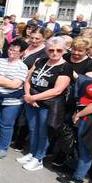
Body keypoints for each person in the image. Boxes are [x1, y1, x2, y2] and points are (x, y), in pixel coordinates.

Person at [18, 37, 73, 171]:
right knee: (33, 129)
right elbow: (28, 79)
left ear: (64, 50)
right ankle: (32, 152)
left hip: (49, 104)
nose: (55, 53)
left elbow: (57, 90)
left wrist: (32, 98)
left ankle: (39, 158)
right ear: (46, 50)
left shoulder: (66, 67)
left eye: (59, 50)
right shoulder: (41, 61)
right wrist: (29, 96)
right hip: (32, 99)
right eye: (51, 50)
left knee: (43, 132)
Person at [57, 54, 92, 183]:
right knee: (80, 145)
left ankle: (78, 179)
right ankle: (75, 169)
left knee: (86, 148)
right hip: (85, 115)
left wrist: (79, 114)